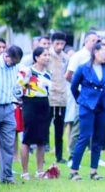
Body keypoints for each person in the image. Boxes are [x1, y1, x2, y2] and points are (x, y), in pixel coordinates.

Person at [69, 43, 105, 181]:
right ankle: (74, 171)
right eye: (104, 52)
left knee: (98, 139)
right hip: (87, 105)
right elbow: (74, 87)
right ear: (95, 52)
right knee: (84, 137)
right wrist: (81, 101)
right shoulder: (83, 68)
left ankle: (94, 171)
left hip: (102, 106)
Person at [0, 45, 23, 185]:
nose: (14, 65)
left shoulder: (14, 66)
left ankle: (7, 176)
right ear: (6, 56)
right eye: (13, 61)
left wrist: (17, 97)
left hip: (8, 108)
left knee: (8, 144)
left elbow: (14, 85)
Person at [65, 31, 99, 166]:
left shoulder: (98, 57)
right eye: (93, 40)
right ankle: (72, 156)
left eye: (97, 40)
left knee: (96, 126)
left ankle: (94, 157)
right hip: (82, 98)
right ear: (86, 41)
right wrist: (80, 92)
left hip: (96, 98)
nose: (96, 43)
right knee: (79, 126)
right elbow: (68, 75)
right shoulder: (78, 56)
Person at [17, 47, 52, 180]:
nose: (47, 57)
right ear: (36, 57)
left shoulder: (48, 74)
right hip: (30, 104)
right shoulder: (28, 71)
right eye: (44, 55)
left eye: (48, 55)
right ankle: (25, 171)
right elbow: (18, 85)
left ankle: (40, 170)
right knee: (27, 138)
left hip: (44, 104)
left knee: (42, 140)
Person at [48, 32, 69, 164]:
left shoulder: (66, 58)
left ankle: (59, 155)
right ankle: (42, 152)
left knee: (59, 128)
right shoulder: (46, 56)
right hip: (48, 96)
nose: (60, 46)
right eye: (57, 43)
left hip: (62, 97)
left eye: (62, 44)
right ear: (52, 43)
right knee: (44, 127)